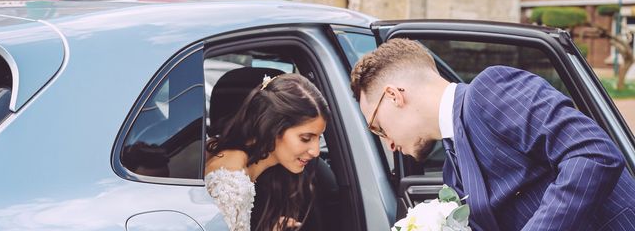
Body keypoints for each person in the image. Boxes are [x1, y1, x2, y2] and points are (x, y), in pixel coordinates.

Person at [350, 38, 635, 231]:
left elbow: (593, 154)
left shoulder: (491, 90)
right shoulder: (453, 171)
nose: (388, 143)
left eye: (378, 127)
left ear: (393, 96)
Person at [205, 73, 330, 231]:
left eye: (319, 138)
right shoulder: (231, 182)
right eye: (305, 138)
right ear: (273, 127)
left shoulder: (239, 161)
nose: (316, 151)